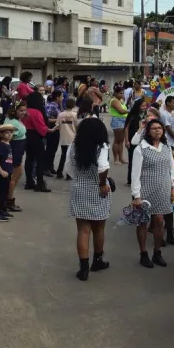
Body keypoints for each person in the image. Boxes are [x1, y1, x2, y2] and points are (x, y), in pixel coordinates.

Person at [65, 117, 112, 281]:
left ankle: (83, 268)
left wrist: (79, 179)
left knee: (83, 230)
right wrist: (101, 183)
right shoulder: (102, 146)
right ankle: (97, 260)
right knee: (99, 228)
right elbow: (104, 166)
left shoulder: (74, 146)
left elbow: (68, 167)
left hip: (79, 188)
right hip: (99, 189)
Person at [131, 119, 174, 269]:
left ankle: (157, 253)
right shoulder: (141, 149)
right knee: (143, 222)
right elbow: (135, 174)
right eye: (154, 128)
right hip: (145, 190)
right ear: (148, 131)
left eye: (159, 128)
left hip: (163, 189)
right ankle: (143, 253)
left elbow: (172, 169)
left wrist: (173, 187)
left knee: (159, 221)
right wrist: (136, 195)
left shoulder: (167, 148)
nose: (157, 130)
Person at [22, 91, 57, 193]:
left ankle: (29, 182)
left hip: (26, 135)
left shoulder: (25, 111)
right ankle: (40, 183)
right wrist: (49, 130)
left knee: (29, 159)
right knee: (40, 160)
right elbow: (41, 128)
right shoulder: (36, 112)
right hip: (35, 137)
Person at [3, 102, 27, 212]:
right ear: (14, 110)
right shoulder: (11, 123)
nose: (23, 113)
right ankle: (9, 200)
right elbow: (7, 137)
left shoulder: (15, 120)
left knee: (18, 174)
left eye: (24, 110)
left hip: (18, 150)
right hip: (15, 151)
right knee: (14, 176)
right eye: (20, 110)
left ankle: (8, 198)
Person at [0, 125, 17, 222]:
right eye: (7, 132)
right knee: (2, 192)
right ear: (1, 134)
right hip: (3, 173)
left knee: (5, 192)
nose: (9, 134)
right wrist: (0, 170)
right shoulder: (2, 145)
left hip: (8, 172)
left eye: (11, 132)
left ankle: (2, 209)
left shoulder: (8, 144)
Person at [55, 99, 77, 179]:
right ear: (73, 106)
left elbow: (57, 125)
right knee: (71, 157)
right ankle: (69, 174)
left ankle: (59, 172)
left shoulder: (60, 115)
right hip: (73, 138)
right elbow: (77, 126)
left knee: (63, 155)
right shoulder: (75, 115)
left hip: (63, 137)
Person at [44, 90, 64, 177]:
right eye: (61, 96)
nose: (62, 98)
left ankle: (50, 166)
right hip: (51, 128)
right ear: (57, 97)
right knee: (50, 149)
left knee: (54, 149)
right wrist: (58, 120)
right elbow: (47, 119)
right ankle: (46, 168)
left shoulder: (57, 105)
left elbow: (62, 113)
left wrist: (61, 104)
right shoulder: (51, 106)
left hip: (56, 129)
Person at [109, 87, 129, 165]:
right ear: (116, 93)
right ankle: (115, 159)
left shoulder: (121, 101)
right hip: (118, 120)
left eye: (122, 93)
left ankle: (121, 158)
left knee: (121, 141)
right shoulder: (114, 101)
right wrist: (130, 111)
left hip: (123, 120)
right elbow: (121, 111)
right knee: (117, 141)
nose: (122, 94)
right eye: (120, 93)